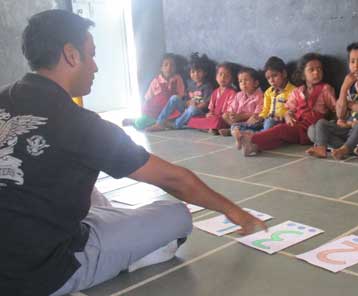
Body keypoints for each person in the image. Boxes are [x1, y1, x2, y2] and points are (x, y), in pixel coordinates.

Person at [0, 10, 266, 296]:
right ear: (71, 54)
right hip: (38, 273)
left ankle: (115, 229)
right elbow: (174, 180)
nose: (95, 67)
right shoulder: (81, 124)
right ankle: (127, 256)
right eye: (91, 54)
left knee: (80, 184)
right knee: (176, 216)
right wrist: (237, 213)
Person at [239, 53, 336, 156]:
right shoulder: (298, 92)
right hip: (297, 125)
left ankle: (251, 139)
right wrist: (288, 115)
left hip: (312, 128)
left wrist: (333, 125)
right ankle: (254, 146)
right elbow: (289, 109)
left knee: (281, 130)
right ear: (303, 75)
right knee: (281, 138)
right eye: (311, 70)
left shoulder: (326, 89)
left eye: (319, 69)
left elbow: (335, 109)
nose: (316, 72)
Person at [307, 69, 358, 160]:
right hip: (347, 130)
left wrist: (350, 105)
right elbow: (340, 114)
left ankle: (346, 148)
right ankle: (322, 148)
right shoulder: (353, 97)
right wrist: (344, 87)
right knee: (320, 123)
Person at [232, 56, 295, 149]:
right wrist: (258, 117)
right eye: (268, 78)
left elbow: (294, 110)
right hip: (266, 121)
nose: (271, 80)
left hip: (281, 123)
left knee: (270, 123)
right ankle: (250, 135)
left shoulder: (293, 91)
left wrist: (283, 115)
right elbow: (265, 110)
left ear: (284, 73)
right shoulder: (269, 92)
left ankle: (252, 138)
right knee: (236, 125)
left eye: (275, 75)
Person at [146, 53, 214, 131]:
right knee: (174, 98)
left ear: (205, 72)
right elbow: (186, 100)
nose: (196, 74)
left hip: (198, 111)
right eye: (193, 72)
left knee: (192, 109)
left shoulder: (207, 86)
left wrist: (193, 107)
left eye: (199, 72)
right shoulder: (191, 85)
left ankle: (175, 124)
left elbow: (206, 104)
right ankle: (159, 123)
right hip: (187, 109)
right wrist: (187, 103)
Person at [122, 53, 186, 130]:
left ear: (175, 68)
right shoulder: (156, 81)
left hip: (172, 110)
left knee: (174, 99)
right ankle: (136, 120)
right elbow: (147, 98)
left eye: (172, 65)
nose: (169, 67)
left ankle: (160, 123)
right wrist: (145, 111)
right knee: (140, 123)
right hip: (157, 111)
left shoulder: (177, 79)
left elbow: (180, 95)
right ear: (161, 68)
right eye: (166, 65)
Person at [186, 62, 237, 134]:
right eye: (220, 74)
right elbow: (211, 109)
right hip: (213, 117)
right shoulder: (215, 92)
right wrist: (209, 114)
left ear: (232, 79)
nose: (222, 78)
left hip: (223, 118)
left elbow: (230, 112)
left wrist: (219, 116)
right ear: (216, 77)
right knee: (192, 120)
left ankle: (210, 128)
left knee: (217, 121)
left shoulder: (232, 93)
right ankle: (211, 129)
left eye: (227, 76)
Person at [222, 67, 263, 138]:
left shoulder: (259, 96)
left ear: (256, 83)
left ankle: (235, 130)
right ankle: (236, 129)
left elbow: (258, 113)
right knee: (225, 115)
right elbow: (231, 108)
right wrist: (231, 114)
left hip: (250, 120)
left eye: (246, 80)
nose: (243, 83)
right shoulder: (239, 95)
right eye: (240, 81)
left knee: (255, 119)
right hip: (238, 120)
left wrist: (240, 116)